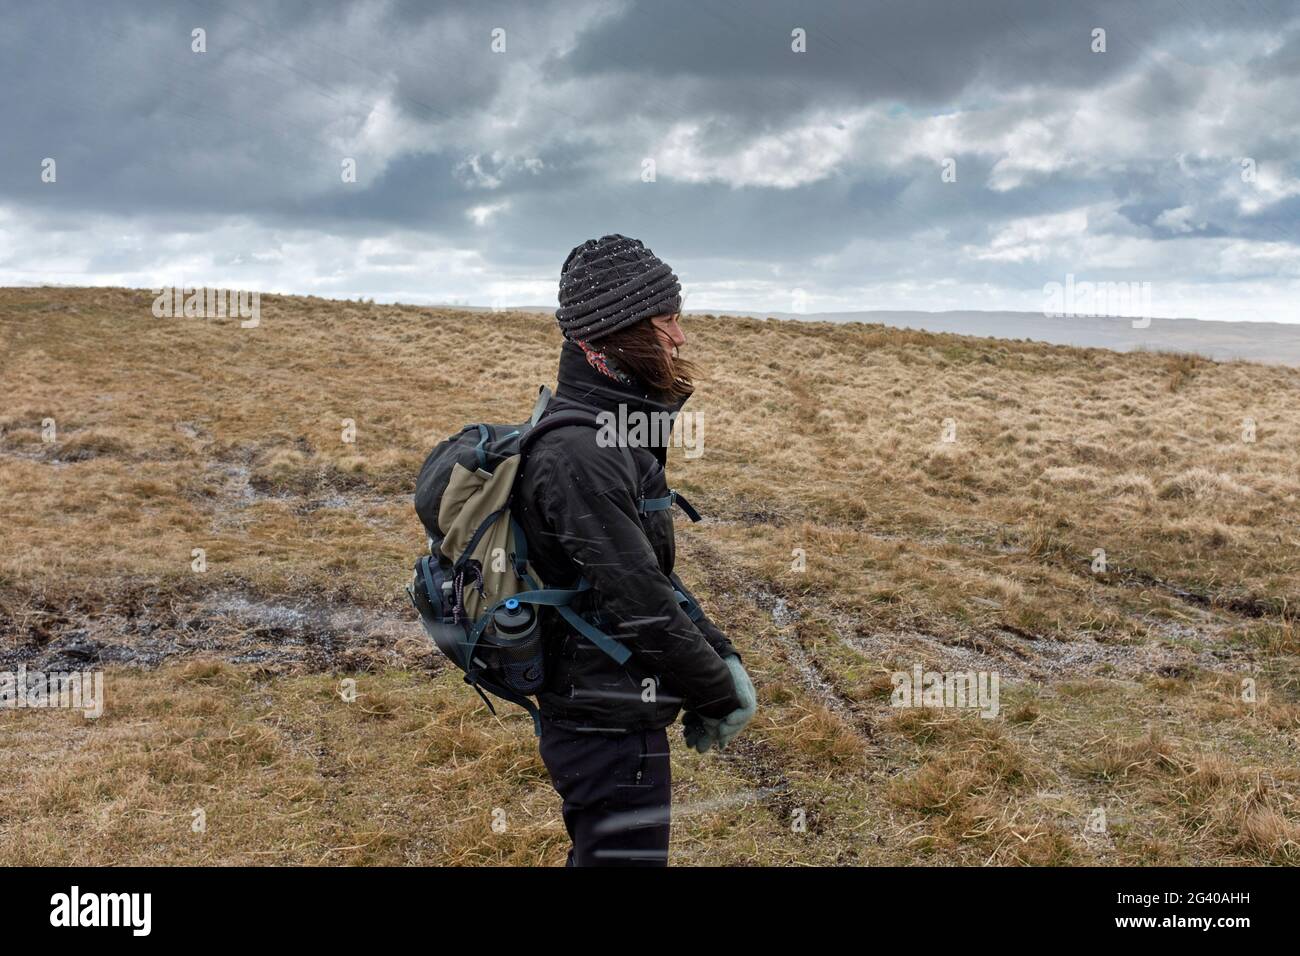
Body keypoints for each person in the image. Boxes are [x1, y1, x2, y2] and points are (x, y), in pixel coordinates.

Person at [513, 234, 758, 867]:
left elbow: (645, 574)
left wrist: (720, 653)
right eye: (666, 322)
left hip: (618, 702)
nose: (679, 338)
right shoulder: (582, 456)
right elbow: (640, 602)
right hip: (602, 720)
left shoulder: (611, 431)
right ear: (619, 335)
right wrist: (718, 693)